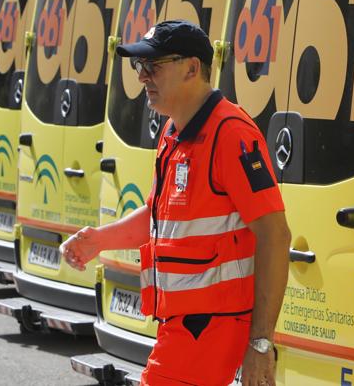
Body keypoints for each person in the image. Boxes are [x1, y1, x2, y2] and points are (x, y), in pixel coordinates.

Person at [60, 20, 291, 386]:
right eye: (140, 66)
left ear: (192, 68)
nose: (142, 77)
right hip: (182, 328)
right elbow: (157, 217)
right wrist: (99, 240)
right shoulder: (172, 132)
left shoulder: (231, 134)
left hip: (211, 332)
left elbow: (276, 236)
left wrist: (261, 344)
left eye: (154, 66)